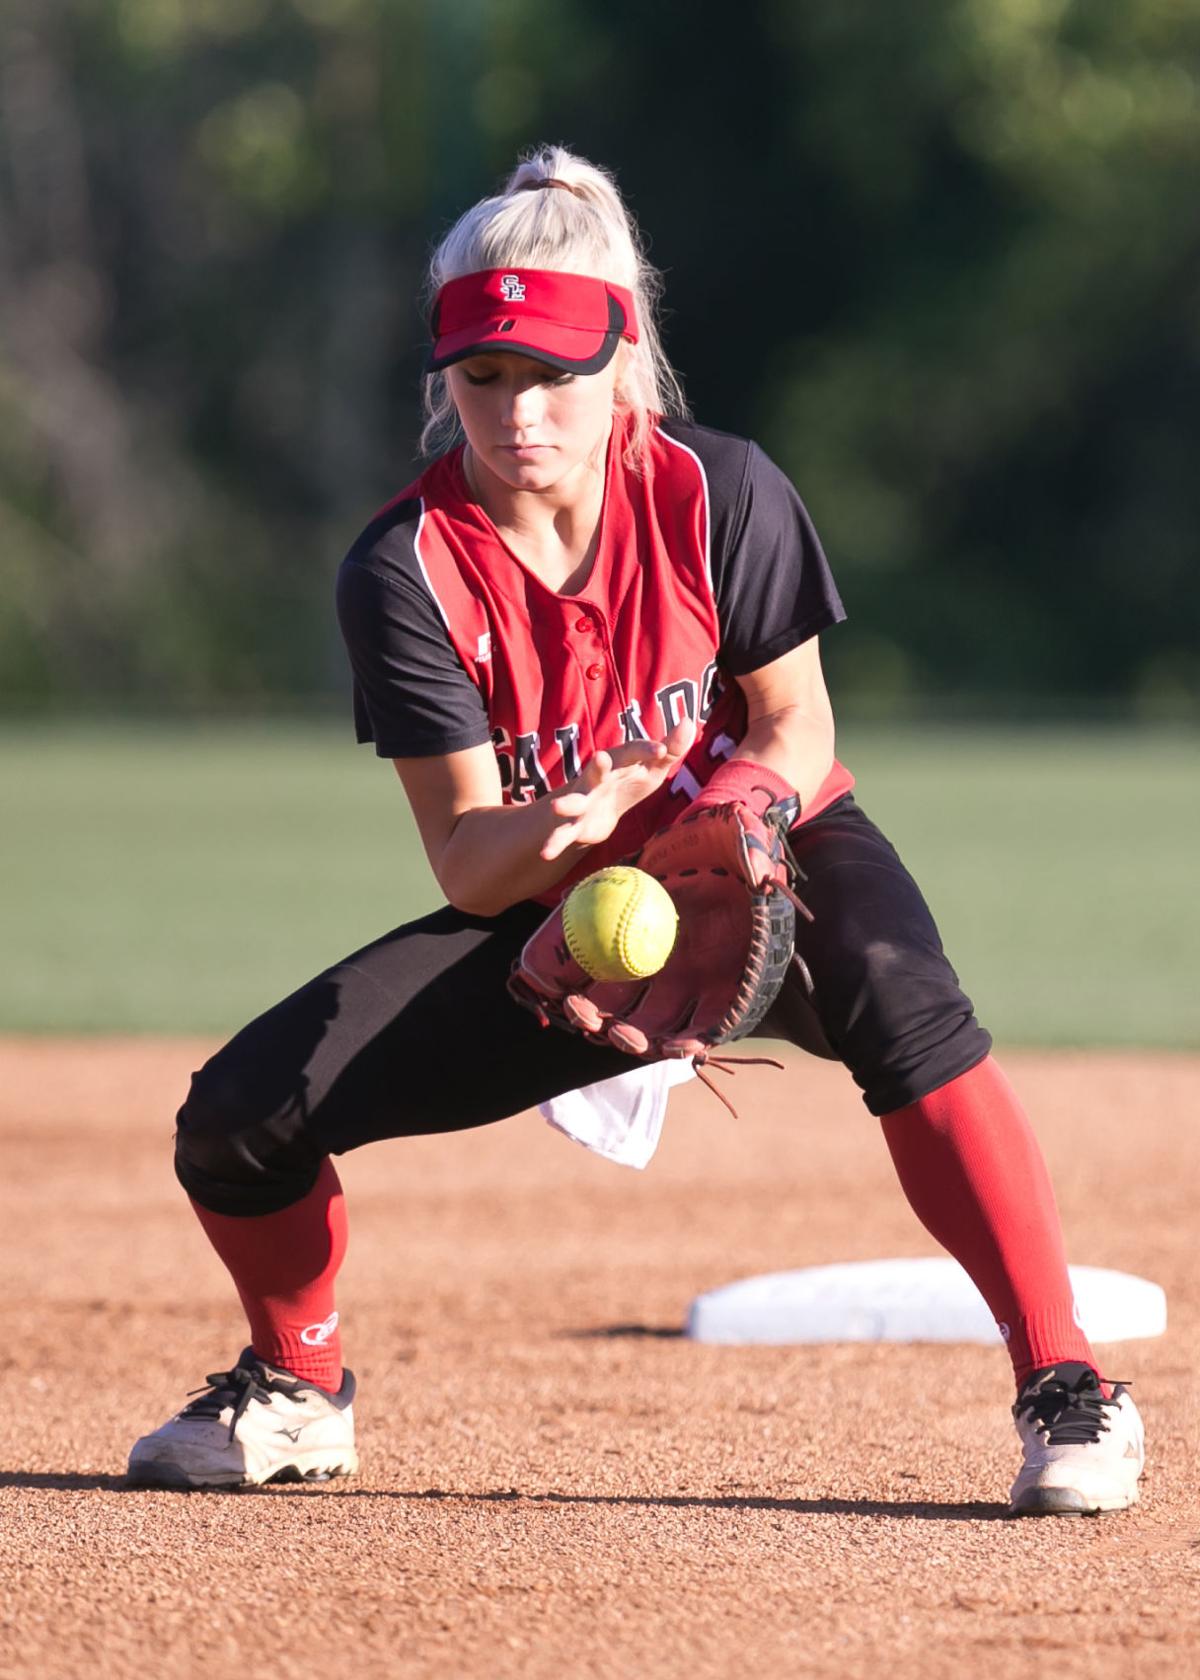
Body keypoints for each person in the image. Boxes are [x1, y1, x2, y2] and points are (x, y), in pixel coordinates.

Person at [127, 146, 1145, 1516]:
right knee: (241, 1122)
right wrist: (584, 819)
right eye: (484, 376)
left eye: (552, 371)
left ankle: (1069, 1390)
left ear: (619, 352)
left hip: (771, 847)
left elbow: (797, 726)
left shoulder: (720, 492)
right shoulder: (406, 569)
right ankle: (300, 1386)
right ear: (446, 380)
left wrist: (732, 815)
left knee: (908, 1007)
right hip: (561, 900)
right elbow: (470, 861)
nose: (519, 410)